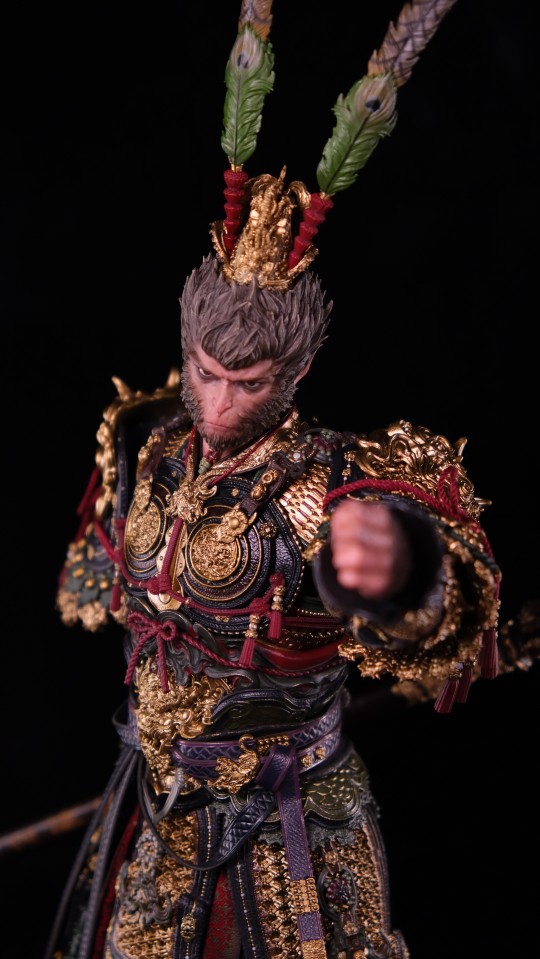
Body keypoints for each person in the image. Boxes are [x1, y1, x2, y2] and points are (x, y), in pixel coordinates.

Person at [45, 2, 502, 957]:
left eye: (246, 382)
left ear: (294, 372)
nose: (217, 403)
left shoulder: (325, 484)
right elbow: (107, 583)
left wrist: (398, 571)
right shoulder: (150, 447)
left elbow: (441, 612)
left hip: (291, 820)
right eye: (206, 372)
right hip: (157, 796)